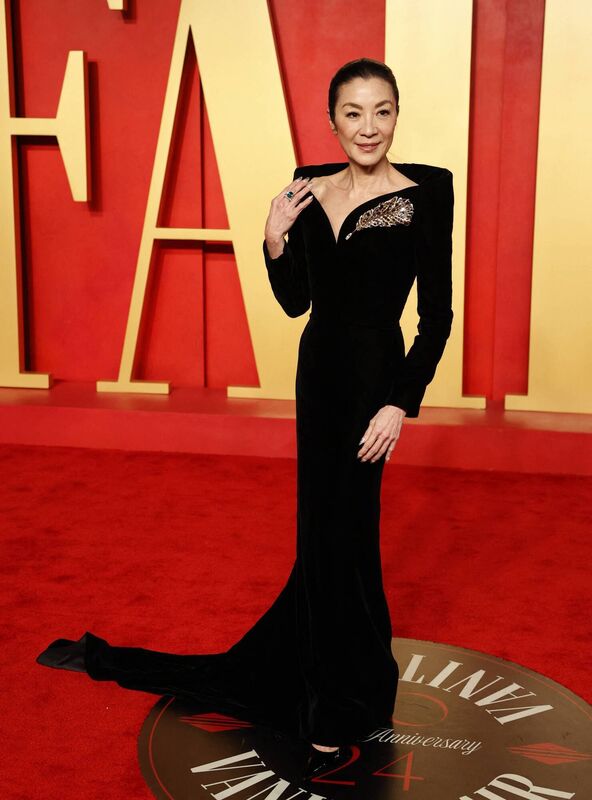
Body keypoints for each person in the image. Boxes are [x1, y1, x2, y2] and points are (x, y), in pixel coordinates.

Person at [36, 57, 454, 783]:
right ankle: (338, 691)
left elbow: (437, 316)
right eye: (352, 113)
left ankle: (343, 698)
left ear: (397, 115)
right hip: (318, 379)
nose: (367, 127)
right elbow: (298, 303)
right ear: (332, 120)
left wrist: (398, 400)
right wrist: (272, 238)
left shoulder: (427, 192)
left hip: (372, 386)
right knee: (322, 532)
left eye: (381, 111)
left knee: (349, 532)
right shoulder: (306, 185)